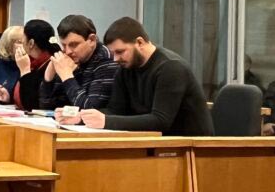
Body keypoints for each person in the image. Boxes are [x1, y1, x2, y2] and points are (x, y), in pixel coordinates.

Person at [60, 17, 212, 136]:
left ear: (139, 42)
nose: (115, 59)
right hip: (156, 144)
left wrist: (106, 121)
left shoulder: (171, 67)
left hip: (192, 148)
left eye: (120, 52)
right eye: (113, 53)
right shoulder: (126, 68)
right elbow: (116, 111)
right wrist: (81, 118)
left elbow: (160, 120)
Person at [39, 14, 118, 112]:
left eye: (74, 45)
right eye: (64, 45)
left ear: (92, 40)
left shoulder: (107, 61)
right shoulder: (71, 60)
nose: (67, 51)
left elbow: (91, 111)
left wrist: (67, 76)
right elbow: (47, 107)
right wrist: (48, 77)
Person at [0, 19, 55, 111]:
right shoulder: (32, 62)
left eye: (22, 40)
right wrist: (7, 99)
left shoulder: (49, 64)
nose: (21, 44)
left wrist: (25, 70)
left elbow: (31, 105)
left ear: (31, 43)